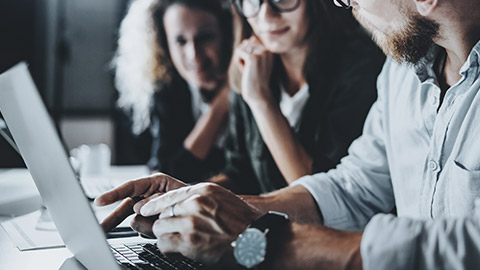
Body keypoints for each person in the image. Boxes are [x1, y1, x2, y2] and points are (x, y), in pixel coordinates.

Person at [96, 0, 480, 268]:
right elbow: (354, 188)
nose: (347, 6)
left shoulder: (359, 66)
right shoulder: (401, 73)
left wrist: (263, 242)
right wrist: (210, 208)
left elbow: (468, 249)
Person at [205, 0, 384, 194]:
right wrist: (189, 194)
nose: (266, 15)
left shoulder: (360, 66)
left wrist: (261, 100)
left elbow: (322, 193)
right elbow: (241, 173)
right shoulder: (250, 64)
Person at [113, 0, 233, 181]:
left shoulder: (256, 84)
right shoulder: (168, 88)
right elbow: (164, 174)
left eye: (205, 37)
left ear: (226, 33)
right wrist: (219, 108)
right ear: (164, 44)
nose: (194, 55)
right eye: (180, 41)